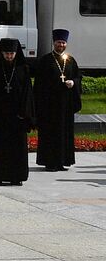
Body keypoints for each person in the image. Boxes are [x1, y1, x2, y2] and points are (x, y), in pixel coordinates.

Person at [0, 38, 34, 186]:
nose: (9, 56)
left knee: (17, 148)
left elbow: (28, 93)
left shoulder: (23, 69)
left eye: (12, 53)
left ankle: (16, 176)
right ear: (1, 53)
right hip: (0, 117)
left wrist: (24, 112)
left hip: (17, 117)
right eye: (6, 53)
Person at [33, 28, 82, 172]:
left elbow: (78, 77)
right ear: (54, 43)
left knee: (64, 133)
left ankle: (63, 161)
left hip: (66, 105)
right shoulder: (45, 61)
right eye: (58, 42)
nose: (61, 45)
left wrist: (73, 82)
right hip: (49, 105)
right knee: (50, 133)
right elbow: (39, 84)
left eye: (63, 43)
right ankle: (50, 162)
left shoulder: (71, 61)